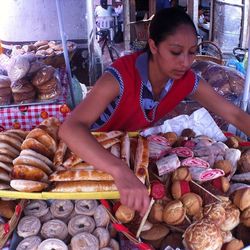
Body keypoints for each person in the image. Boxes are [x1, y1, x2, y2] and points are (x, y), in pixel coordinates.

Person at [59, 7, 250, 216]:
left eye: (192, 52)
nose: (185, 62)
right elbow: (70, 129)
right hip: (87, 159)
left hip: (129, 159)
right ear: (153, 45)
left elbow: (235, 115)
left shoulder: (186, 81)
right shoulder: (120, 77)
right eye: (176, 52)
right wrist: (119, 170)